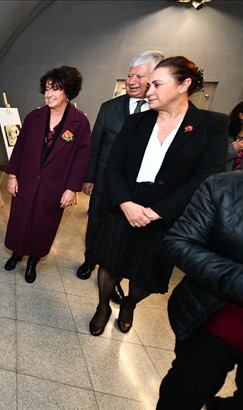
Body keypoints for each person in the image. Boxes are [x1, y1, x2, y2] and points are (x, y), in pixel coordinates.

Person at [87, 56, 229, 336]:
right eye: (149, 84)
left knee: (148, 272)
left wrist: (156, 212)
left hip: (169, 211)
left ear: (183, 85)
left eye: (157, 84)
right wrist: (125, 203)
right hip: (125, 202)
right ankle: (103, 306)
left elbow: (205, 179)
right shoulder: (136, 122)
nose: (148, 90)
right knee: (110, 262)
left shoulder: (211, 125)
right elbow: (113, 167)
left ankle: (129, 304)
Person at [77, 50, 165, 306]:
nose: (132, 81)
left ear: (154, 80)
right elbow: (96, 145)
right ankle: (90, 259)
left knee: (120, 235)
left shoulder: (159, 113)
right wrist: (89, 177)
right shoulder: (109, 108)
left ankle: (111, 277)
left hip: (134, 191)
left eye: (140, 76)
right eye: (129, 75)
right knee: (96, 224)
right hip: (104, 182)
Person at [156, 171, 243, 410]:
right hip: (214, 324)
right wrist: (239, 281)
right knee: (183, 397)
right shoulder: (224, 187)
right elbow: (178, 242)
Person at [4, 66, 91, 283]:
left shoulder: (80, 122)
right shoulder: (33, 117)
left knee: (43, 224)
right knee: (20, 220)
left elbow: (81, 159)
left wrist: (71, 189)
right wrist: (12, 176)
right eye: (47, 89)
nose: (49, 94)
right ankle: (16, 253)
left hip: (55, 186)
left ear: (68, 91)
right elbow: (19, 148)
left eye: (55, 89)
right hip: (27, 182)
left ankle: (33, 261)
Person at [225, 100, 243, 171]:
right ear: (242, 115)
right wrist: (232, 149)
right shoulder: (224, 133)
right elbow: (212, 157)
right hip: (219, 176)